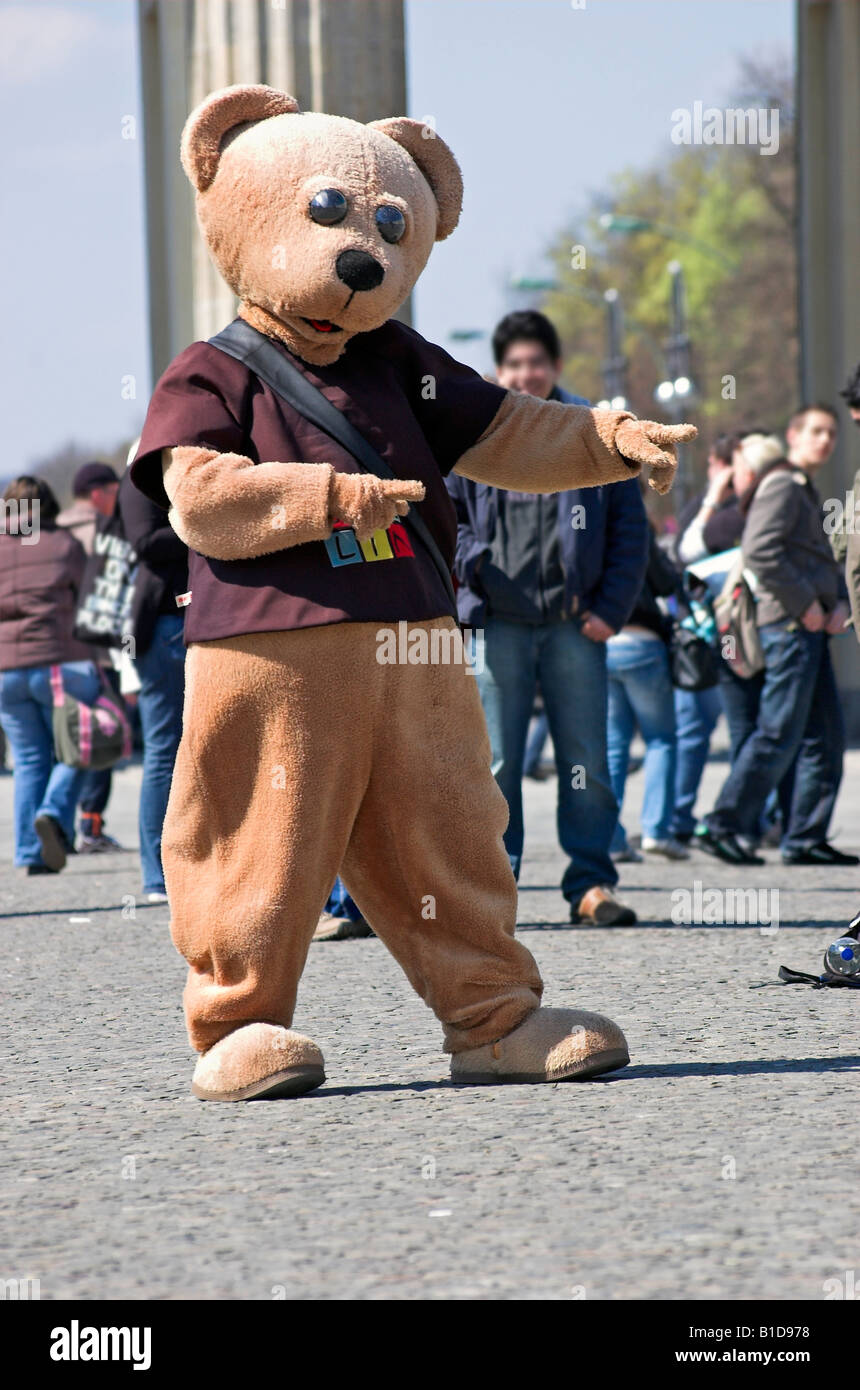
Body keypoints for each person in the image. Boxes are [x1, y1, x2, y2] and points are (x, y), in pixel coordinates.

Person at [447, 310, 649, 925]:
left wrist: (610, 611)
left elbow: (630, 531)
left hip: (574, 623)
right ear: (499, 370)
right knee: (499, 762)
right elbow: (448, 519)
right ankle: (495, 889)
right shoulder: (474, 433)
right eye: (514, 364)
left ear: (555, 367)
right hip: (500, 622)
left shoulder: (593, 431)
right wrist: (474, 568)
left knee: (586, 758)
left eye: (536, 363)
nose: (526, 374)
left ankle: (590, 884)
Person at [697, 411, 856, 866]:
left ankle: (804, 837)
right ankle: (722, 824)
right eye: (815, 432)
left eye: (831, 433)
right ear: (792, 436)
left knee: (824, 736)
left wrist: (835, 602)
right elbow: (762, 550)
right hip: (789, 626)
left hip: (805, 626)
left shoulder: (799, 485)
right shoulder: (784, 484)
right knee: (778, 732)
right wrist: (806, 603)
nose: (825, 441)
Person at [0, 476, 99, 872]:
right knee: (81, 747)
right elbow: (87, 600)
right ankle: (54, 812)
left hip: (7, 672)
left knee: (28, 760)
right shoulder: (64, 545)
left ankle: (28, 852)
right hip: (61, 663)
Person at [117, 463, 188, 903]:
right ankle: (157, 874)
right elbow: (143, 542)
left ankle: (175, 869)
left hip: (178, 621)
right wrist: (198, 522)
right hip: (164, 626)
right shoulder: (142, 473)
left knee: (185, 749)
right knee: (163, 749)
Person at [669, 433, 742, 842]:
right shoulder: (705, 505)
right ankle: (681, 818)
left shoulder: (745, 507)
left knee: (741, 729)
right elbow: (686, 551)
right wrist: (714, 495)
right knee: (694, 730)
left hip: (732, 634)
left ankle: (743, 817)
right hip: (701, 638)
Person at [607, 520, 688, 862]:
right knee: (661, 739)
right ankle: (656, 830)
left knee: (613, 745)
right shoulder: (634, 527)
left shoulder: (586, 525)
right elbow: (667, 582)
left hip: (604, 643)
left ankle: (610, 838)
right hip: (643, 642)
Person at [58, 462, 125, 852]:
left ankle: (60, 824)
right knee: (102, 740)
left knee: (60, 742)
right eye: (114, 492)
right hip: (97, 654)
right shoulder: (105, 532)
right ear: (98, 493)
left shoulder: (50, 531)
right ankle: (91, 825)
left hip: (51, 654)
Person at [57, 461, 119, 556]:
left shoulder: (55, 526)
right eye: (114, 491)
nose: (119, 497)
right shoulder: (103, 534)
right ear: (96, 495)